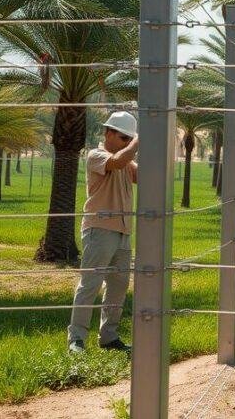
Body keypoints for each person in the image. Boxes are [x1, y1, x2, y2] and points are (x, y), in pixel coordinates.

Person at [68, 111, 138, 353]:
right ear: (108, 133)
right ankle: (76, 339)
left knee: (118, 287)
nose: (128, 142)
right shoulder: (96, 156)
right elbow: (118, 161)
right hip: (99, 230)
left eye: (130, 139)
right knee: (90, 284)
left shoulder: (126, 162)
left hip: (122, 232)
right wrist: (140, 138)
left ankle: (108, 337)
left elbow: (141, 172)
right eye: (124, 137)